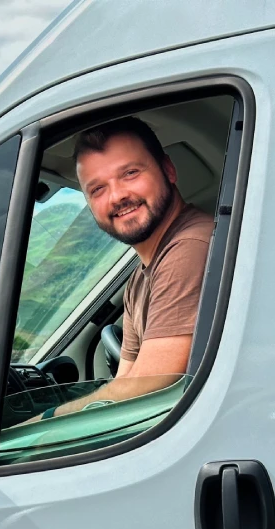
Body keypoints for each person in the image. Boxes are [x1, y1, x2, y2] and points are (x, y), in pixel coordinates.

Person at [33, 116, 214, 422]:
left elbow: (149, 386)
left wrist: (45, 424)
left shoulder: (191, 246)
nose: (116, 196)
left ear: (168, 170)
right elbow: (125, 383)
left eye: (130, 173)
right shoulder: (139, 279)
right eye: (97, 189)